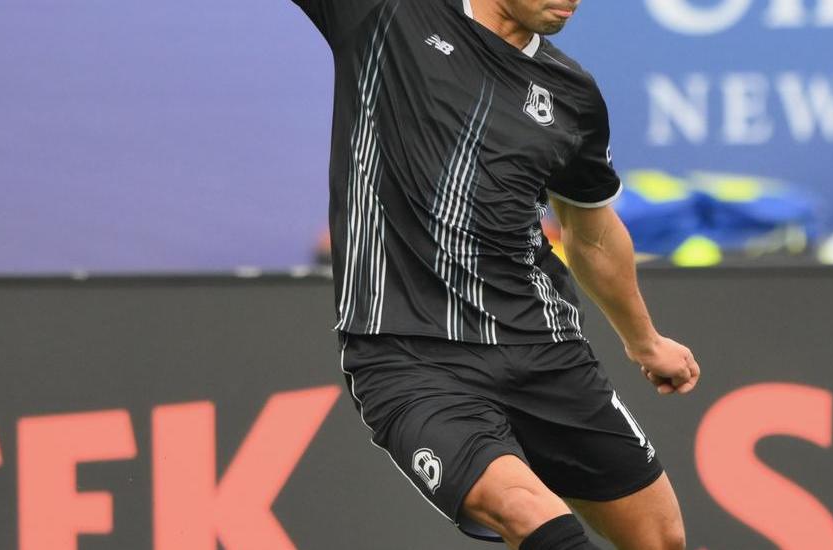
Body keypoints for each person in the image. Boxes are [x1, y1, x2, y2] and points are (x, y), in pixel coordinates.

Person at [287, 0, 699, 548]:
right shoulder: (385, 13)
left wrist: (645, 342)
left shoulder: (571, 93)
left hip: (544, 351)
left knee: (660, 538)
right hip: (410, 357)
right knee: (530, 514)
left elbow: (591, 233)